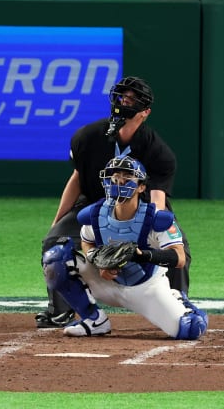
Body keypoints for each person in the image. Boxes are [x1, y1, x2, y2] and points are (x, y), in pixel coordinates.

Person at [36, 76, 189, 329]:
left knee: (177, 249)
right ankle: (60, 311)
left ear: (144, 112)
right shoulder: (87, 137)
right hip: (95, 204)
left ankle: (179, 305)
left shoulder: (158, 152)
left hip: (140, 206)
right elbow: (77, 179)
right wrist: (57, 222)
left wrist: (151, 234)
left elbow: (158, 198)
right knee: (54, 243)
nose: (124, 103)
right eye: (122, 97)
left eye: (131, 100)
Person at [41, 155, 208, 340]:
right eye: (115, 177)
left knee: (191, 329)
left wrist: (141, 255)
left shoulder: (156, 219)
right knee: (56, 258)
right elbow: (86, 242)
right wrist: (98, 261)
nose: (119, 181)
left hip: (146, 289)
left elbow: (179, 258)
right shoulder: (96, 214)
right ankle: (94, 320)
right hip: (106, 283)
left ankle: (177, 299)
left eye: (127, 177)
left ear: (141, 187)